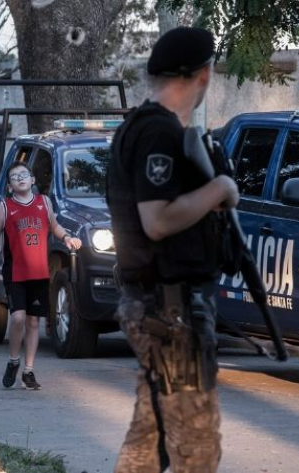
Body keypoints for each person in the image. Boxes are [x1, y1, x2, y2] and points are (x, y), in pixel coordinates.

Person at [106, 27, 240, 472]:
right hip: (169, 311)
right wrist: (220, 187)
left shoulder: (149, 128)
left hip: (161, 305)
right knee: (197, 448)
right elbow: (157, 220)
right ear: (203, 73)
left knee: (150, 439)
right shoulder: (158, 133)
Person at [0, 162, 81, 390]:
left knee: (33, 321)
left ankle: (28, 370)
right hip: (15, 271)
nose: (20, 178)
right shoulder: (6, 207)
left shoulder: (44, 202)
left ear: (33, 180)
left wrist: (67, 237)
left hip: (39, 271)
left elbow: (55, 226)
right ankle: (13, 361)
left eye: (24, 174)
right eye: (15, 177)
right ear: (9, 186)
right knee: (17, 318)